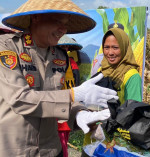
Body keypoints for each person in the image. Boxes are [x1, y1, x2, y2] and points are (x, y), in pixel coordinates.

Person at [0, 0, 118, 156]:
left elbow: (58, 97)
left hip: (52, 150)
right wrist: (73, 94)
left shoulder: (60, 56)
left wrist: (80, 113)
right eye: (57, 21)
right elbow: (19, 98)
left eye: (65, 24)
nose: (63, 30)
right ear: (36, 17)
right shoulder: (7, 48)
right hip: (15, 151)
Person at [101, 27, 142, 104]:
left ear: (124, 48)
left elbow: (132, 111)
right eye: (106, 47)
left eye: (115, 48)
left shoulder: (132, 77)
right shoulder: (102, 70)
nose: (110, 52)